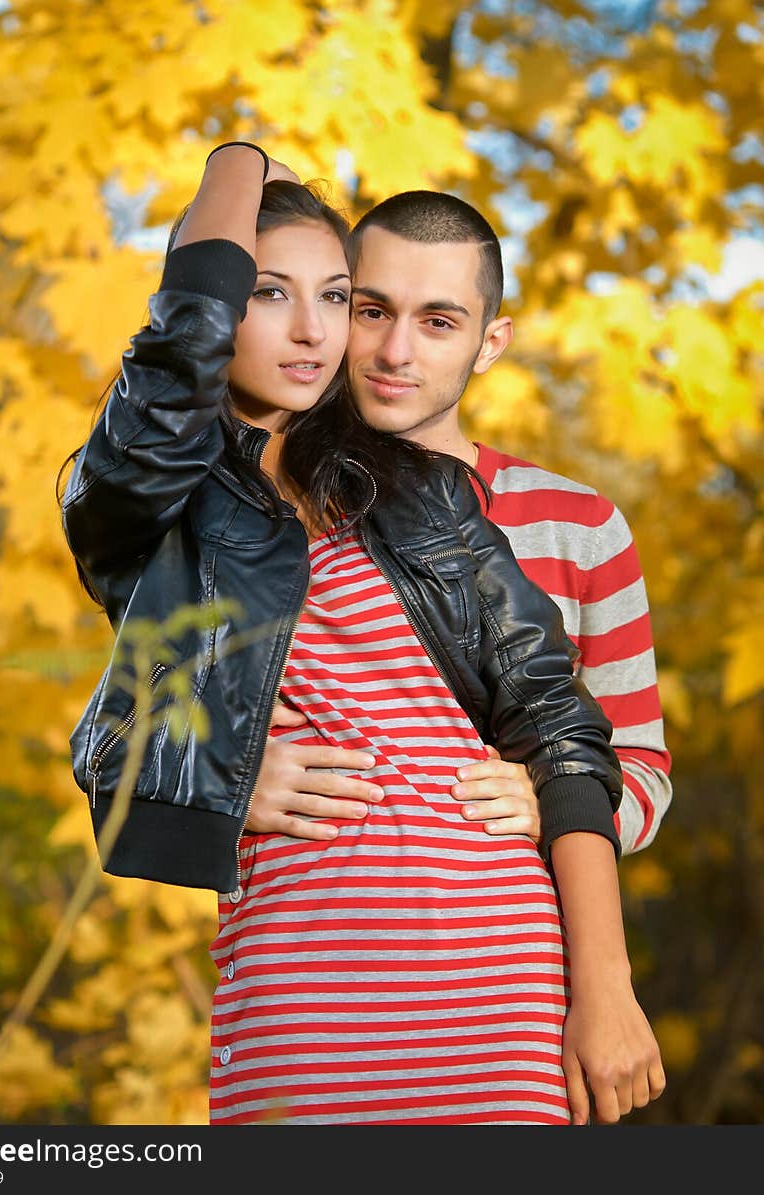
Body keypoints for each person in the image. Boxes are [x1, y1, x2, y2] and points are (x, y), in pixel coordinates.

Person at [60, 142, 664, 1127]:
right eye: (268, 293)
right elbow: (178, 358)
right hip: (301, 987)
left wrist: (603, 989)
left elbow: (563, 733)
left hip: (497, 980)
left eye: (337, 297)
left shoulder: (422, 491)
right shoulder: (149, 499)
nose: (315, 330)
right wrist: (238, 159)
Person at [250, 191, 671, 862]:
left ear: (489, 343)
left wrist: (557, 804)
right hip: (308, 943)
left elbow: (642, 765)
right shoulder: (267, 508)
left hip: (518, 946)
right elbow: (143, 718)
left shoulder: (580, 526)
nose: (395, 351)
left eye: (438, 322)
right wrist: (225, 782)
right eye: (371, 310)